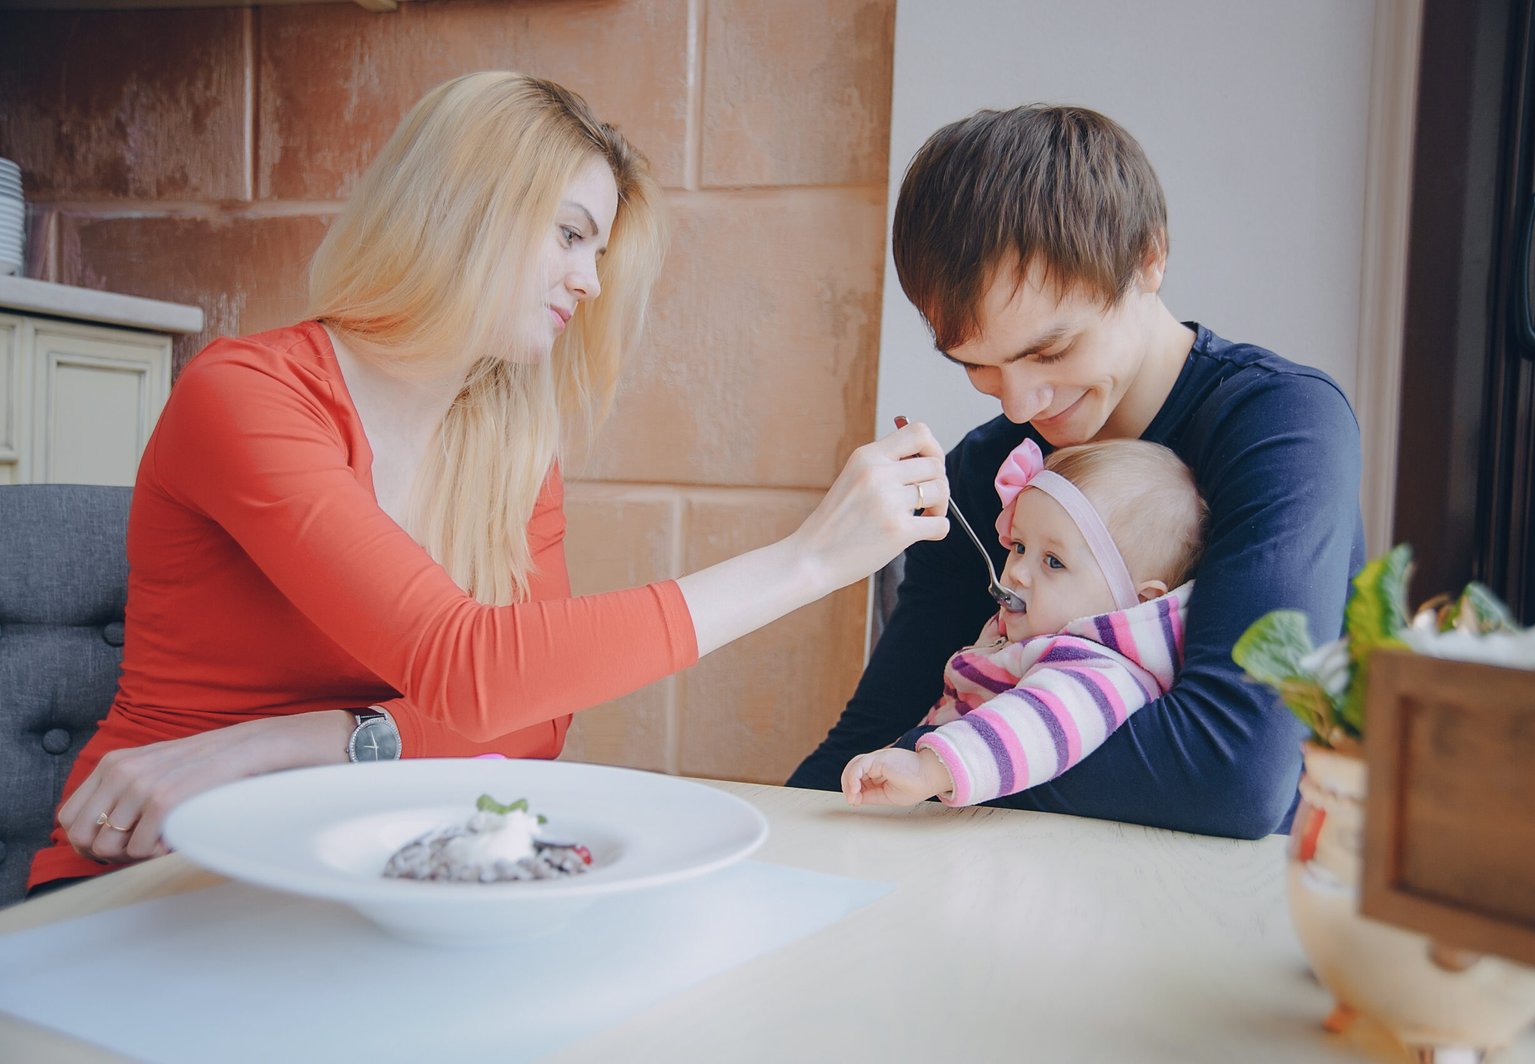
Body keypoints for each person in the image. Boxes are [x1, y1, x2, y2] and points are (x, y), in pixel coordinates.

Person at [29, 71, 950, 892]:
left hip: (338, 861)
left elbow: (535, 720)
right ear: (464, 207)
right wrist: (806, 562)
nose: (589, 282)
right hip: (148, 864)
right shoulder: (246, 396)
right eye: (570, 235)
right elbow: (473, 670)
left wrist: (284, 742)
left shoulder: (509, 445)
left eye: (599, 253)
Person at [790, 104, 1365, 839]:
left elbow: (1233, 775)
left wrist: (942, 767)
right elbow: (878, 730)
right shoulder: (984, 469)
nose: (1023, 403)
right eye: (978, 365)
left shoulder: (1281, 427)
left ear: (1149, 259)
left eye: (1052, 351)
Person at [842, 437, 1205, 807]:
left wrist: (928, 770)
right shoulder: (1036, 632)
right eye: (1018, 547)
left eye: (1053, 561)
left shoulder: (1100, 670)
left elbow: (1034, 724)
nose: (1017, 573)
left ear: (1137, 601)